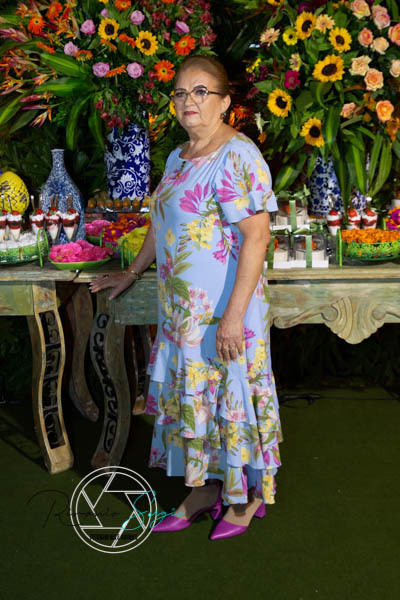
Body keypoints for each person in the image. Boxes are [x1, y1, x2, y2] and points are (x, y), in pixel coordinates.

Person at [90, 55, 283, 541]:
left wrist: (234, 317)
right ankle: (203, 489)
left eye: (200, 91)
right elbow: (161, 224)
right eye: (180, 92)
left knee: (231, 396)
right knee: (196, 403)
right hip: (183, 313)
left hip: (224, 311)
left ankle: (245, 496)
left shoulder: (239, 155)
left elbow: (257, 237)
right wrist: (132, 272)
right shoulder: (178, 157)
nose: (187, 101)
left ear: (225, 102)